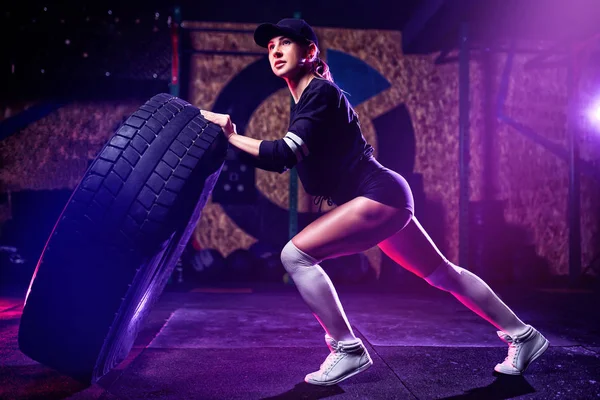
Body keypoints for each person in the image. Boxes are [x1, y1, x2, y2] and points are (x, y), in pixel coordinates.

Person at [200, 18, 549, 386]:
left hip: (377, 195)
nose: (275, 52)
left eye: (285, 43)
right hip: (385, 197)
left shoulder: (319, 93)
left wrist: (231, 136)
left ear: (310, 51)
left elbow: (281, 155)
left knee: (295, 256)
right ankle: (524, 336)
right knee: (442, 273)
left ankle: (348, 349)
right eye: (270, 47)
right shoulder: (305, 100)